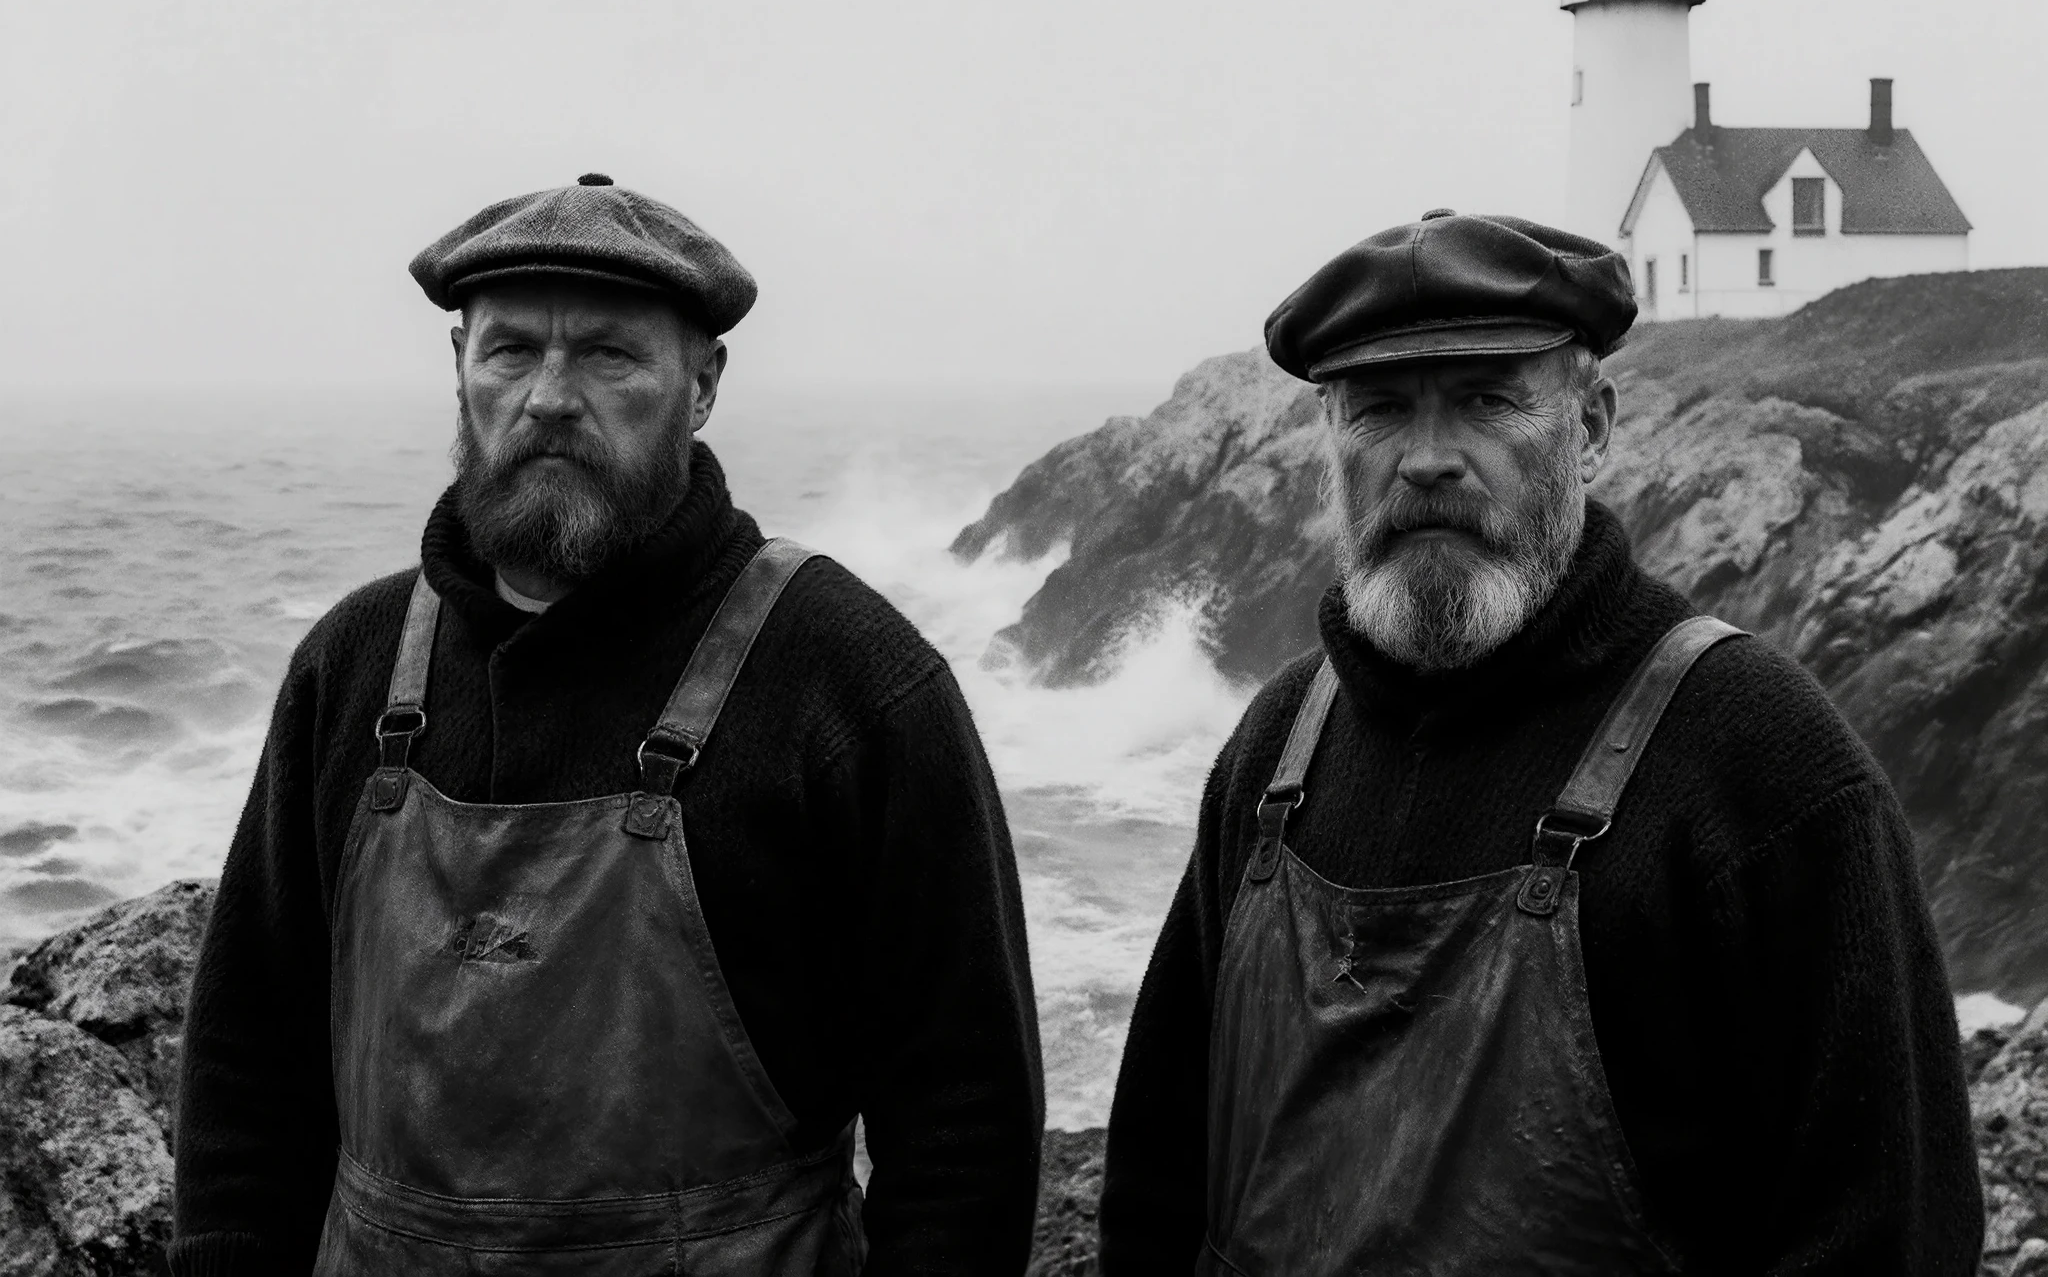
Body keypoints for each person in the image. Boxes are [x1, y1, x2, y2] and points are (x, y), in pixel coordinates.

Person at [171, 173, 1045, 1276]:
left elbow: (964, 1131)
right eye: (509, 351)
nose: (546, 396)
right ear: (458, 371)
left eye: (606, 354)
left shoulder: (848, 681)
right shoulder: (348, 667)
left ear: (702, 385)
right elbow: (249, 1078)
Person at [1097, 209, 1982, 1274]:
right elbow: (1153, 1182)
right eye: (1377, 410)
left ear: (1593, 425)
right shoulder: (1273, 748)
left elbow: (1888, 1234)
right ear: (1326, 437)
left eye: (1484, 400)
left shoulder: (1760, 765)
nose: (1427, 461)